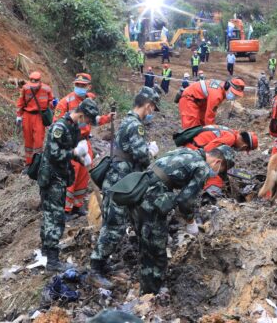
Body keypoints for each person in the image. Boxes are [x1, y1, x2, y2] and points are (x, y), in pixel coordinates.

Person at [133, 145, 235, 294]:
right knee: (158, 247)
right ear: (218, 162)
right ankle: (152, 291)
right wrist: (190, 221)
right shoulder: (202, 167)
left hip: (138, 190)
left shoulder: (187, 152)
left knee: (145, 242)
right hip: (151, 200)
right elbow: (185, 201)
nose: (217, 173)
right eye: (221, 170)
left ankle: (146, 285)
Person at [89, 87, 160, 286]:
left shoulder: (127, 121)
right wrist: (151, 152)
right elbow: (141, 156)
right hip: (120, 181)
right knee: (114, 226)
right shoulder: (135, 125)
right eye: (153, 107)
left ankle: (102, 264)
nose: (152, 112)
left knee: (114, 222)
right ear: (148, 105)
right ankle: (95, 268)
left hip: (120, 179)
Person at [39, 99, 100, 271]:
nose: (87, 124)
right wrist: (73, 152)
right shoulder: (60, 127)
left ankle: (46, 251)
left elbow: (70, 149)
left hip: (60, 175)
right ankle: (52, 260)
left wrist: (80, 157)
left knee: (50, 215)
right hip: (52, 177)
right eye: (87, 120)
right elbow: (53, 154)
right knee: (55, 217)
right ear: (81, 114)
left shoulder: (73, 127)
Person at [53, 73, 114, 217]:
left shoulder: (89, 101)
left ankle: (77, 205)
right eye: (77, 85)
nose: (80, 87)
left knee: (84, 174)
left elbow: (94, 120)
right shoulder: (65, 102)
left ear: (88, 87)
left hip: (85, 141)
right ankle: (66, 210)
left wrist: (107, 118)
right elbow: (56, 124)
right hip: (71, 143)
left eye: (83, 86)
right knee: (71, 175)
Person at [185, 128, 256, 198]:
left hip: (192, 148)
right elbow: (208, 155)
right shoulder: (230, 139)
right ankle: (209, 199)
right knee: (215, 179)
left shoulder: (231, 132)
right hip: (192, 151)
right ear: (244, 146)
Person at [15, 71, 54, 166]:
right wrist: (18, 116)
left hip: (39, 116)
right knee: (28, 140)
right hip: (27, 115)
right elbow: (20, 102)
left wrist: (53, 106)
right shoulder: (25, 88)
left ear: (40, 81)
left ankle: (37, 163)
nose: (33, 85)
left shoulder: (46, 89)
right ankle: (28, 163)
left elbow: (51, 102)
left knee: (38, 140)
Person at [177, 78, 245, 129]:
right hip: (189, 99)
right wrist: (213, 131)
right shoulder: (217, 95)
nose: (234, 96)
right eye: (233, 93)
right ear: (227, 86)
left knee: (202, 123)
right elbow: (210, 116)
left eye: (236, 95)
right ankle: (188, 146)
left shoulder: (222, 88)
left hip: (201, 101)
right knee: (191, 127)